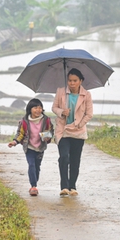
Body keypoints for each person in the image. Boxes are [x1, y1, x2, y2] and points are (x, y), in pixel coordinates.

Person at [52, 68, 93, 197]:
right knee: (64, 157)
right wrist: (62, 112)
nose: (72, 83)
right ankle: (64, 186)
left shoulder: (86, 95)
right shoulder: (61, 92)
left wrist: (79, 124)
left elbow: (89, 114)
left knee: (75, 160)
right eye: (69, 80)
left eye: (75, 80)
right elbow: (54, 107)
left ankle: (72, 186)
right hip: (63, 131)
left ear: (80, 81)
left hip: (78, 132)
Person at [8, 98, 54, 196]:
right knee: (31, 165)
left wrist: (47, 137)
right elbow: (20, 134)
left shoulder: (46, 120)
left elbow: (50, 131)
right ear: (30, 109)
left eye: (40, 107)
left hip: (40, 147)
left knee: (37, 167)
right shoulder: (24, 121)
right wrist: (15, 142)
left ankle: (34, 182)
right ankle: (33, 186)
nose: (38, 110)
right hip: (29, 147)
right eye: (35, 108)